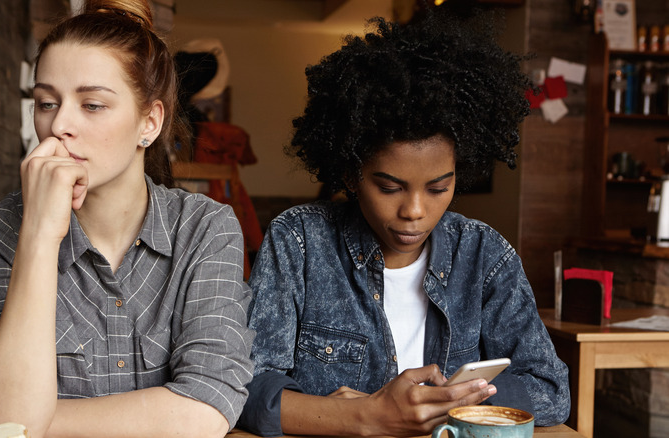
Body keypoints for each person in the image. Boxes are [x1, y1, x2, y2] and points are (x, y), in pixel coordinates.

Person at [0, 1, 253, 437]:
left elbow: (206, 409)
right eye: (46, 103)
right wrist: (37, 233)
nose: (59, 125)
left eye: (91, 105)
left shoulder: (206, 227)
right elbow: (4, 416)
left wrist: (16, 423)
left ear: (149, 122)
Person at [237, 7, 570, 437]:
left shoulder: (483, 255)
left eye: (437, 188)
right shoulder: (299, 243)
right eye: (390, 187)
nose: (414, 211)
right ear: (350, 175)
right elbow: (244, 388)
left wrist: (446, 402)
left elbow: (550, 388)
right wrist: (364, 417)